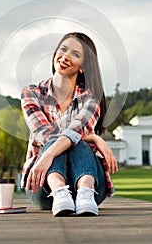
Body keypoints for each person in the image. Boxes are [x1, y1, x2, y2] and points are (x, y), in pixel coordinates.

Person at [21, 32, 118, 217]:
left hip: (91, 185)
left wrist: (79, 137)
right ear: (55, 53)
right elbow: (45, 134)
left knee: (77, 142)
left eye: (75, 54)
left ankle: (85, 191)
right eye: (63, 49)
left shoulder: (90, 99)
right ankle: (59, 191)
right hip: (43, 187)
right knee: (67, 140)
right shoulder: (31, 93)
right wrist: (92, 137)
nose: (65, 56)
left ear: (83, 67)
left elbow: (75, 132)